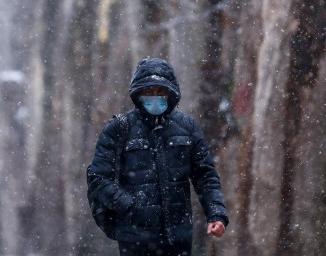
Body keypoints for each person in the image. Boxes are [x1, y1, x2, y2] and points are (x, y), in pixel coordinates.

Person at [87, 58, 228, 256]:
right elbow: (98, 179)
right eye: (149, 92)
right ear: (138, 94)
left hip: (179, 238)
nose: (155, 97)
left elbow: (205, 176)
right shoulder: (118, 129)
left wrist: (216, 214)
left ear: (171, 94)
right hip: (134, 239)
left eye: (161, 91)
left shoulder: (188, 127)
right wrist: (130, 206)